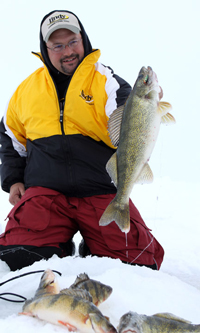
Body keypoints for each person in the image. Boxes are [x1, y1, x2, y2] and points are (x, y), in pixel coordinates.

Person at [0, 10, 164, 271]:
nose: (68, 51)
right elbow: (10, 139)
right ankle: (58, 245)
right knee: (17, 257)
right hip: (46, 192)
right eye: (58, 45)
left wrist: (144, 106)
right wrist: (13, 180)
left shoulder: (107, 81)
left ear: (83, 39)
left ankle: (95, 244)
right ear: (45, 48)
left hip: (100, 188)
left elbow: (127, 116)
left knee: (139, 263)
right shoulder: (25, 90)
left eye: (73, 41)